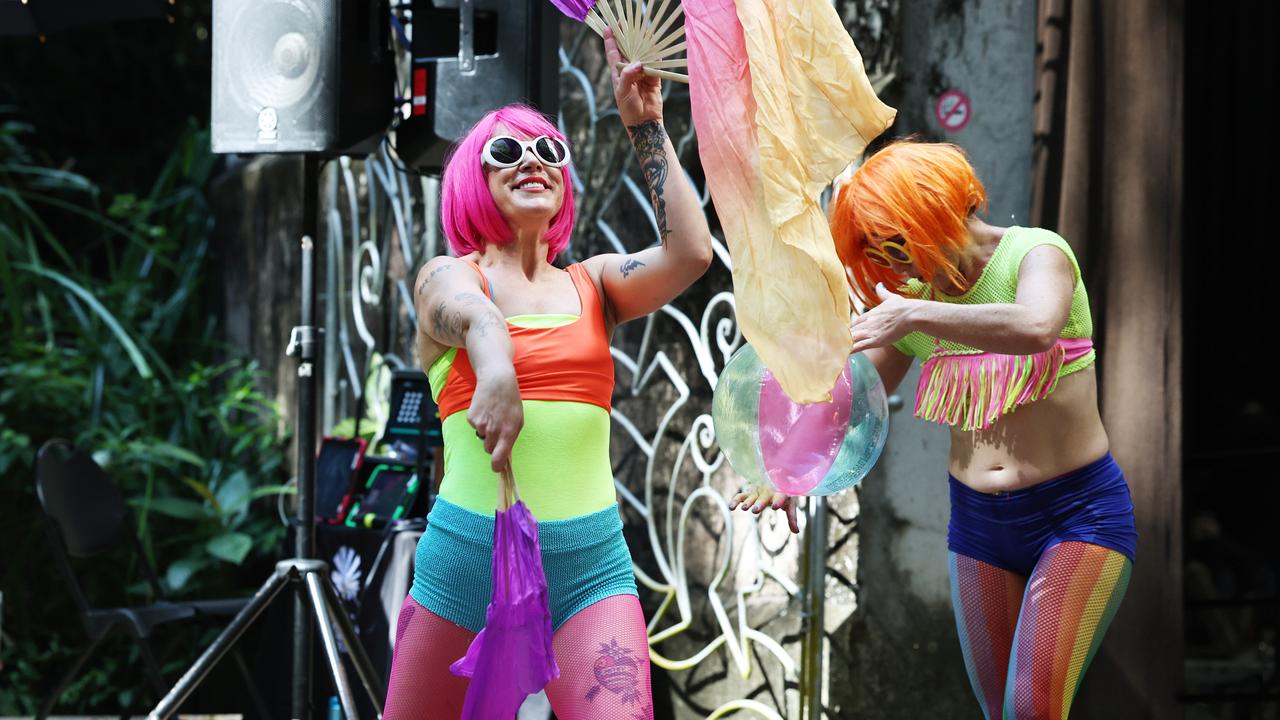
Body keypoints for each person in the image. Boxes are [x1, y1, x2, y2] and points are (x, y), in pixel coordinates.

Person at [732, 140, 1137, 719]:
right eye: (877, 253)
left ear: (937, 212)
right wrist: (788, 470)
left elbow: (1038, 326)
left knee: (1031, 711)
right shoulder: (914, 300)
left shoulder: (1035, 255)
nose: (893, 267)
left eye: (895, 244)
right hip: (978, 526)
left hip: (1077, 515)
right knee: (999, 712)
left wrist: (914, 314)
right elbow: (851, 397)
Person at [382, 29, 712, 720]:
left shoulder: (594, 284)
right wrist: (494, 359)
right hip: (467, 563)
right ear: (476, 175)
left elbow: (690, 254)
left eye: (548, 152)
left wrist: (646, 126)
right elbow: (461, 311)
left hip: (591, 567)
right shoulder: (451, 274)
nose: (533, 161)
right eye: (508, 152)